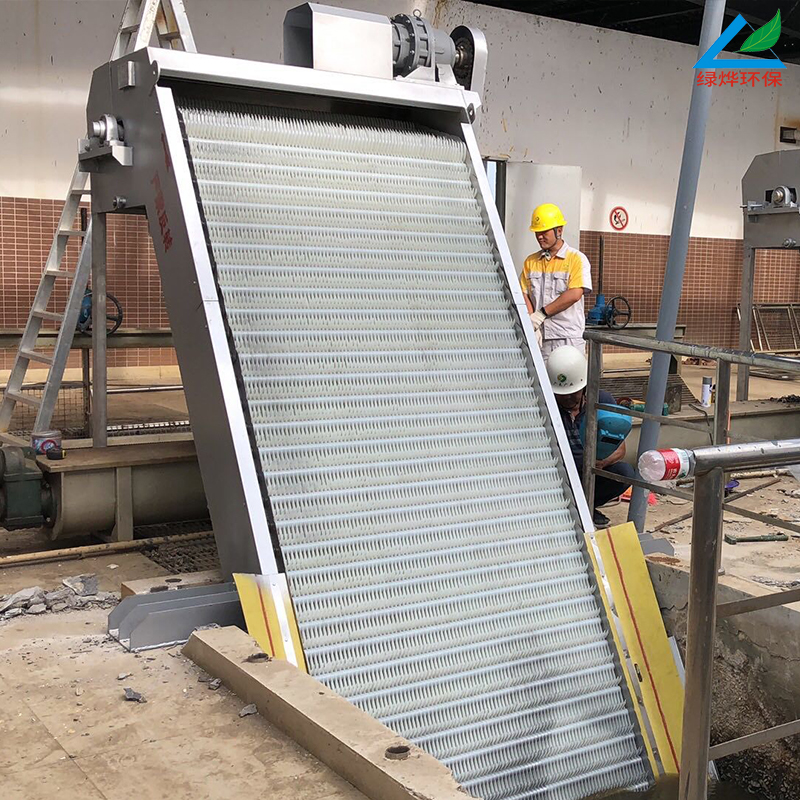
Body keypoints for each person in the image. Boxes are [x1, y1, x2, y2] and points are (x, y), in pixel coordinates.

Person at [546, 344, 634, 527]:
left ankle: (586, 507)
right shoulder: (544, 405)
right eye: (562, 395)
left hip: (591, 469)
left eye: (573, 393)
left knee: (624, 473)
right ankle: (569, 507)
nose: (568, 398)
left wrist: (601, 462)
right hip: (558, 473)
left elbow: (620, 449)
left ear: (585, 386)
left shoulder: (603, 401)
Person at [519, 203, 592, 360]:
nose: (540, 236)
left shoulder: (576, 259)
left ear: (559, 231)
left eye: (544, 232)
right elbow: (524, 293)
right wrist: (532, 322)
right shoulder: (531, 262)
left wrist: (541, 314)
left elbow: (575, 294)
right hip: (540, 337)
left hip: (567, 338)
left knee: (568, 376)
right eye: (537, 232)